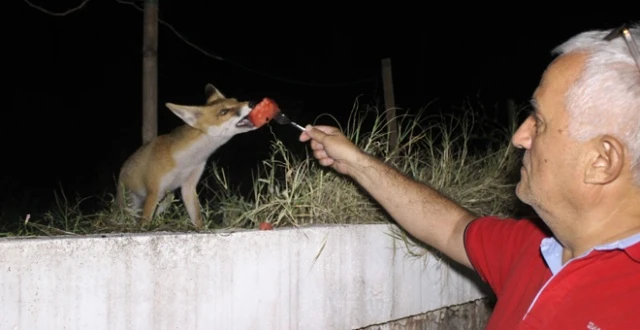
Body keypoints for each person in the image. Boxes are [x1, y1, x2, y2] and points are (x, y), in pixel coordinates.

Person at [299, 23, 640, 329]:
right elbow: (450, 228)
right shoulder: (538, 248)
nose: (520, 137)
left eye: (540, 122)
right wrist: (357, 161)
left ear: (601, 161)